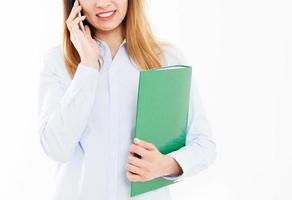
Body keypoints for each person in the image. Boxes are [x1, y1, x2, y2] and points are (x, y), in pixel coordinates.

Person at [37, 0, 217, 199]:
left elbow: (203, 144)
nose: (103, 3)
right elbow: (56, 149)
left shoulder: (166, 59)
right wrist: (88, 66)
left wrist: (166, 165)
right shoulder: (56, 62)